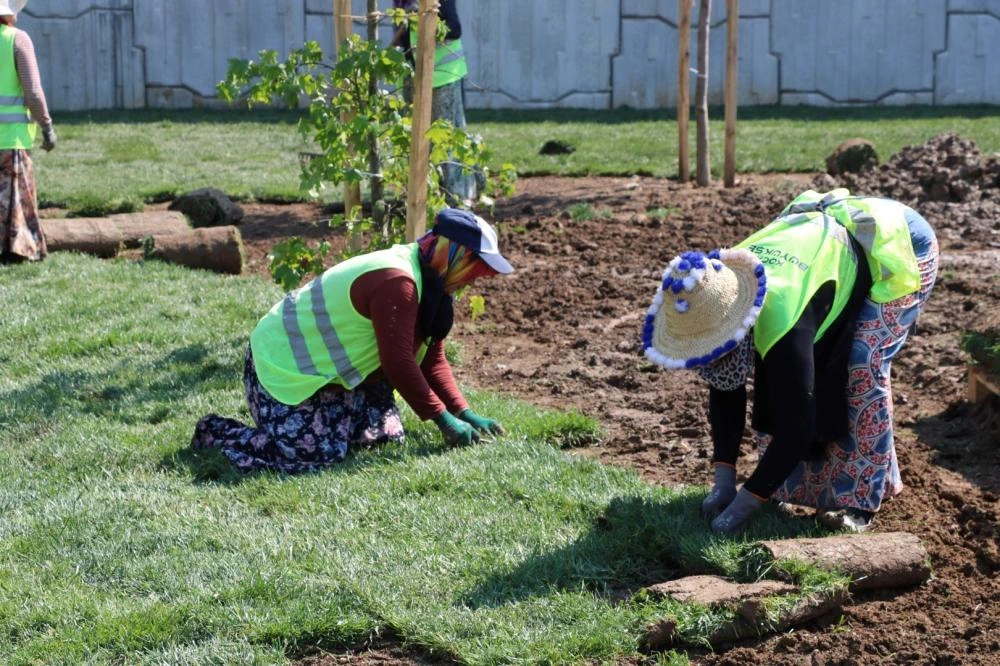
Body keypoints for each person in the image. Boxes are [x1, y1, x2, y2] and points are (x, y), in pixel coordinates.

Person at [642, 189, 938, 533]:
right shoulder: (715, 287)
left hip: (895, 245)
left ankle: (858, 501)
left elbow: (798, 424)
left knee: (860, 364)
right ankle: (783, 485)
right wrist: (723, 478)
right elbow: (726, 385)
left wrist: (747, 503)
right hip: (821, 245)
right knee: (780, 378)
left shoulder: (783, 314)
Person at [192, 208, 513, 473]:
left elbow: (431, 357)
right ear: (456, 255)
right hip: (282, 369)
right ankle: (219, 432)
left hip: (328, 375)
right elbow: (398, 363)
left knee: (383, 438)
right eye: (477, 268)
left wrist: (464, 412)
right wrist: (443, 421)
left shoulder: (432, 282)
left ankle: (328, 418)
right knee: (315, 454)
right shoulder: (398, 281)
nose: (478, 278)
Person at [391, 0, 480, 205]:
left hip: (443, 76)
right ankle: (425, 198)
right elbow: (402, 36)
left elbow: (454, 29)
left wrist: (424, 18)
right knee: (418, 141)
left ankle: (457, 197)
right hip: (416, 76)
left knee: (446, 139)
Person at [0, 0, 55, 264]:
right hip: (11, 139)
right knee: (16, 200)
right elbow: (32, 91)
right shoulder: (17, 40)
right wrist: (46, 125)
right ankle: (18, 250)